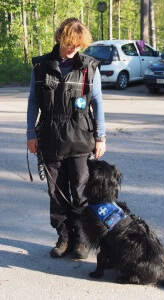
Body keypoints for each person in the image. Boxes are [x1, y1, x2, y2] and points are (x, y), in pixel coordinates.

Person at [27, 18, 106, 259]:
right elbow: (33, 100)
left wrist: (100, 136)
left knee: (80, 191)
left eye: (79, 44)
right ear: (60, 37)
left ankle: (81, 240)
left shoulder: (89, 66)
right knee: (56, 191)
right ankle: (64, 237)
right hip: (50, 135)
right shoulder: (41, 67)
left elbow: (97, 101)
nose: (74, 48)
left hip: (81, 137)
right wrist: (31, 133)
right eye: (71, 42)